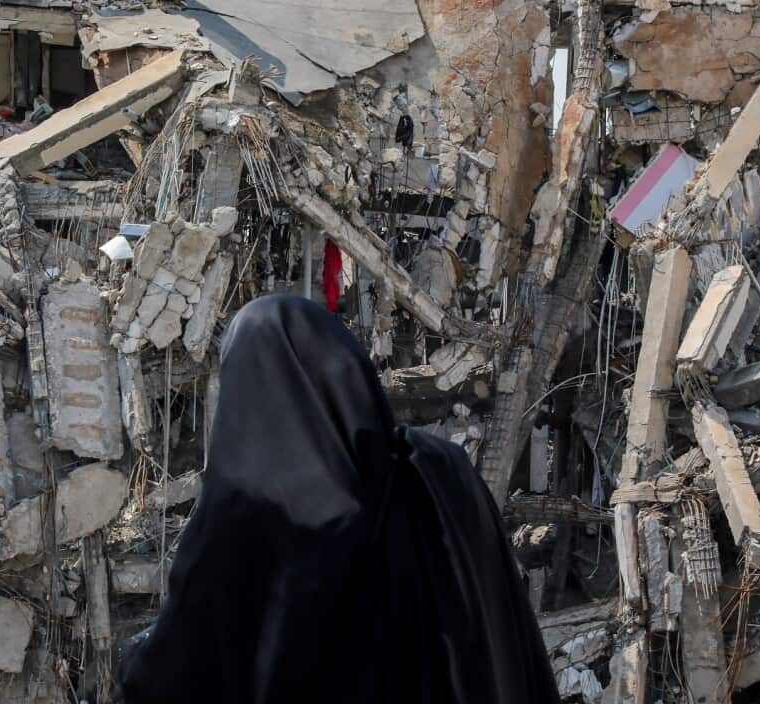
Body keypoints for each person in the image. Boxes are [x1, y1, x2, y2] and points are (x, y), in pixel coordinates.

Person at [119, 295, 559, 704]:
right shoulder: (441, 474)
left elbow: (178, 671)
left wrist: (134, 662)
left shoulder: (244, 522)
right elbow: (501, 635)